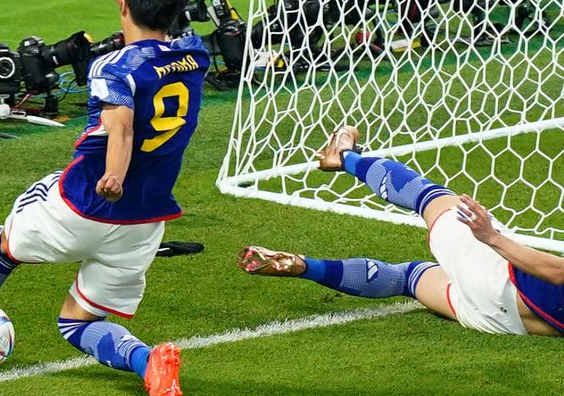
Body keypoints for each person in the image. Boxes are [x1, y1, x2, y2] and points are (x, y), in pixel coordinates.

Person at [0, 0, 209, 396]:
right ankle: (149, 363)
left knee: (7, 248)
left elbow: (120, 128)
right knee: (76, 322)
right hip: (145, 220)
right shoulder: (196, 56)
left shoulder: (111, 67)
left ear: (126, 2)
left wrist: (113, 176)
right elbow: (157, 31)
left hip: (84, 202)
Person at [239, 126, 564, 337]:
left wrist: (492, 238)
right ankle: (305, 267)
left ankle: (345, 157)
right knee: (408, 279)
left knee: (431, 199)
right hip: (502, 322)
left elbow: (557, 272)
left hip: (502, 281)